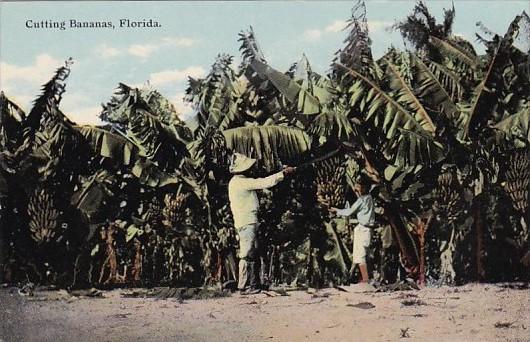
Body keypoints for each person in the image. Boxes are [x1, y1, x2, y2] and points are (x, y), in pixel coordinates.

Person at [228, 153, 296, 294]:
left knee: (250, 252)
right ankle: (244, 286)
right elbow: (264, 182)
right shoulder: (242, 182)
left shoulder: (235, 182)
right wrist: (282, 173)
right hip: (247, 221)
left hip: (245, 220)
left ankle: (251, 284)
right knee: (247, 253)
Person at [329, 177, 375, 289]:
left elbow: (349, 212)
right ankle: (365, 278)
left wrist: (336, 210)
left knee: (360, 256)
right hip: (366, 228)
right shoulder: (369, 199)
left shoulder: (362, 200)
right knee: (363, 254)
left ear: (364, 187)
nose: (357, 189)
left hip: (363, 228)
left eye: (359, 186)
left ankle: (365, 280)